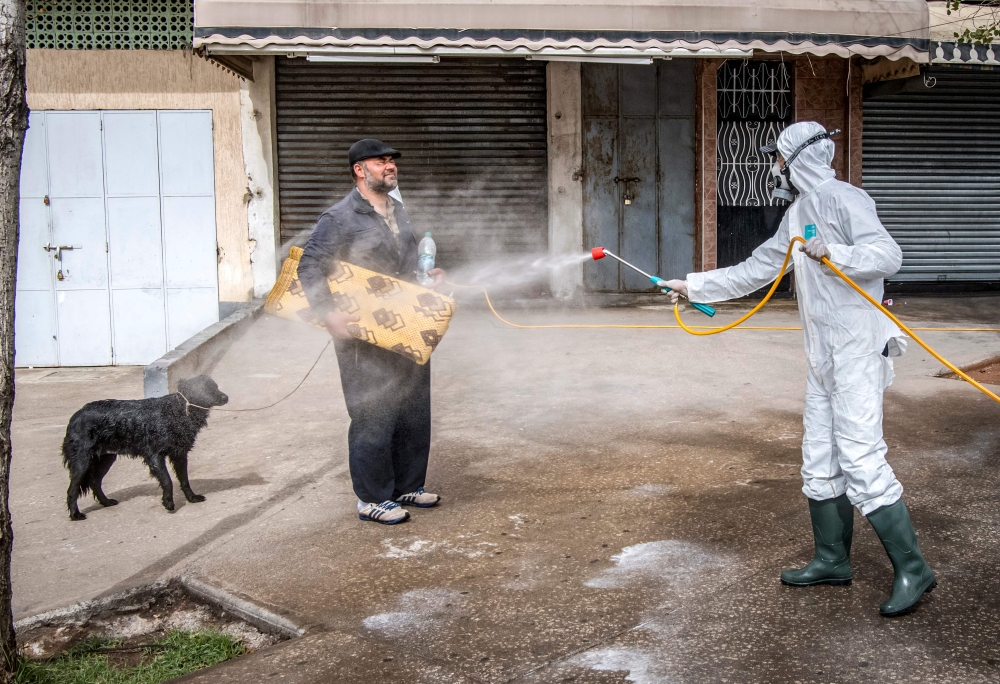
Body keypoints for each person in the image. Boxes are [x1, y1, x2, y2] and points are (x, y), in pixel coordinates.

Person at [662, 121, 936, 617]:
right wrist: (692, 286)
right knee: (819, 459)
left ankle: (914, 570)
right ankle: (832, 560)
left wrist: (838, 253)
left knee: (861, 458)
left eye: (779, 159)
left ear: (797, 160)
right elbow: (755, 269)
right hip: (823, 355)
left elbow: (888, 255)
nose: (775, 168)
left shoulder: (846, 198)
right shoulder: (798, 213)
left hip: (856, 351)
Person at [298, 139, 445, 525]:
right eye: (380, 161)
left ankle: (407, 485)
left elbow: (406, 262)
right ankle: (372, 498)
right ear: (359, 170)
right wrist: (327, 313)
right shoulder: (339, 217)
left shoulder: (398, 210)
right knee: (373, 412)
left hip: (407, 322)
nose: (390, 165)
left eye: (391, 160)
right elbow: (309, 266)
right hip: (362, 329)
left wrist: (427, 275)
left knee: (413, 408)